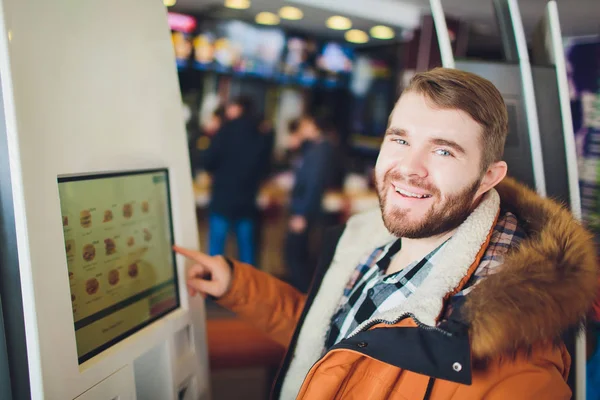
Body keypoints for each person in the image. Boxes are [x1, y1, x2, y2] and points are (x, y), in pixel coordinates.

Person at [175, 68, 598, 399]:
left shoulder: (512, 351)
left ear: (489, 177)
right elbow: (339, 342)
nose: (409, 168)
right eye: (400, 139)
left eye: (443, 149)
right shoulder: (374, 240)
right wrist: (238, 285)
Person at [201, 95, 268, 265]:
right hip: (247, 201)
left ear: (238, 108)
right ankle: (248, 288)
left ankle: (213, 286)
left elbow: (208, 161)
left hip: (223, 198)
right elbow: (265, 168)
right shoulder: (260, 134)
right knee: (247, 251)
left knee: (216, 250)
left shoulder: (225, 131)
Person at [285, 115, 333, 292]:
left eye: (305, 124)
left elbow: (313, 184)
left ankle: (303, 297)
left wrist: (301, 214)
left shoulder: (319, 151)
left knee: (296, 254)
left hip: (306, 212)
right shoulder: (314, 149)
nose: (301, 128)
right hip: (305, 210)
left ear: (314, 126)